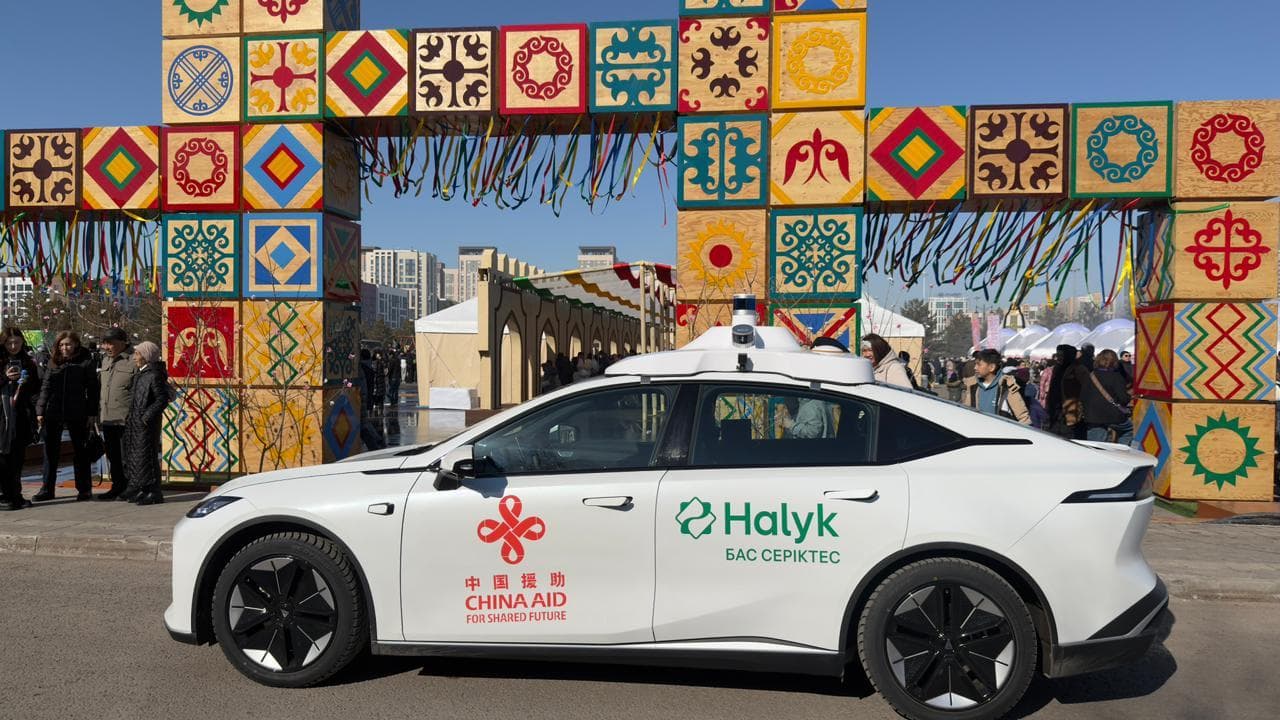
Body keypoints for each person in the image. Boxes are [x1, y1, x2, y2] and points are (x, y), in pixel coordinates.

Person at [34, 331, 99, 502]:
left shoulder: (86, 362)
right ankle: (47, 489)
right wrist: (40, 410)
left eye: (68, 344)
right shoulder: (53, 362)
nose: (65, 348)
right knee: (50, 452)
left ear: (76, 344)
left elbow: (93, 389)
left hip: (77, 411)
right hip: (53, 411)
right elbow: (46, 387)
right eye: (61, 345)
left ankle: (84, 489)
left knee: (81, 451)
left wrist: (92, 413)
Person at [122, 342, 169, 505]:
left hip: (146, 424)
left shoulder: (154, 375)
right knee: (137, 457)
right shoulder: (141, 374)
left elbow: (162, 399)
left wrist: (146, 416)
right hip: (136, 423)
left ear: (146, 356)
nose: (134, 357)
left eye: (137, 354)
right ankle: (144, 488)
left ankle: (155, 492)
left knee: (148, 456)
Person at [0, 328, 40, 511]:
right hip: (2, 416)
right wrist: (4, 378)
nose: (13, 346)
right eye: (9, 343)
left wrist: (38, 411)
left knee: (17, 458)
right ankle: (4, 495)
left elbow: (35, 389)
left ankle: (15, 494)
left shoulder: (28, 362)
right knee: (3, 458)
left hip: (21, 415)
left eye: (17, 342)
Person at [96, 327, 135, 500]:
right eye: (104, 343)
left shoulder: (133, 360)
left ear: (122, 342)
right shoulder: (105, 360)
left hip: (126, 418)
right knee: (113, 455)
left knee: (127, 456)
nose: (106, 347)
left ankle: (131, 487)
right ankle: (117, 486)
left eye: (110, 343)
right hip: (107, 418)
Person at [1081, 349, 1134, 446]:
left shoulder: (1090, 375)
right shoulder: (1116, 377)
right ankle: (1120, 451)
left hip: (1093, 415)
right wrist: (1129, 397)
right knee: (1128, 429)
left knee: (1095, 445)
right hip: (1113, 415)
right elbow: (1123, 399)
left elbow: (1083, 395)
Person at [962, 349, 1030, 424]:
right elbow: (966, 411)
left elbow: (1024, 418)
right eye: (975, 364)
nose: (975, 368)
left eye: (979, 364)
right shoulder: (972, 385)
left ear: (992, 367)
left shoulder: (1006, 386)